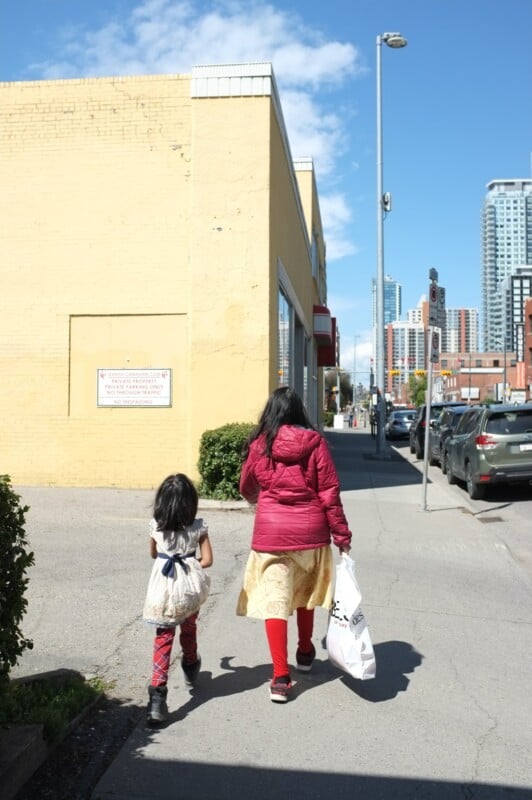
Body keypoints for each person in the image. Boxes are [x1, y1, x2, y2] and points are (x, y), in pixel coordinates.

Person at [237, 387, 352, 703]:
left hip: (271, 533)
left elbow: (246, 485)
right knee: (305, 593)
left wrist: (258, 501)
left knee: (276, 600)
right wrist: (341, 535)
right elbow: (329, 491)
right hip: (310, 530)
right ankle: (304, 651)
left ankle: (280, 678)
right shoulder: (314, 442)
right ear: (299, 411)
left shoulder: (260, 445)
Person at [142, 473, 213, 725]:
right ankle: (191, 664)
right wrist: (189, 562)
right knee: (189, 627)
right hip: (188, 591)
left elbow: (153, 555)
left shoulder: (155, 527)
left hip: (162, 592)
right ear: (190, 503)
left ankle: (157, 699)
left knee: (163, 638)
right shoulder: (198, 528)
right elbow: (207, 560)